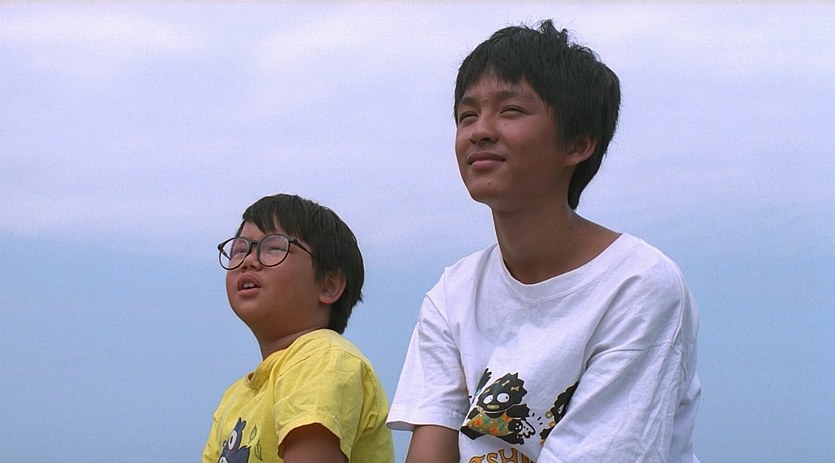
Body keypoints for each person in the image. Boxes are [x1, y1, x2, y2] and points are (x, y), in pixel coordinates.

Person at [387, 20, 701, 463]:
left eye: (511, 110)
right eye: (467, 115)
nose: (479, 131)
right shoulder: (452, 295)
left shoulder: (637, 285)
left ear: (578, 143)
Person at [203, 194, 394, 463]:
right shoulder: (234, 398)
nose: (248, 260)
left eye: (273, 247)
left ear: (328, 285)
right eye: (239, 249)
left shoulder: (323, 359)